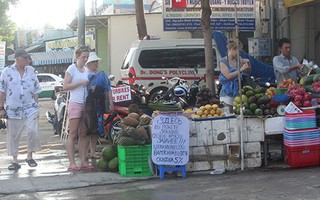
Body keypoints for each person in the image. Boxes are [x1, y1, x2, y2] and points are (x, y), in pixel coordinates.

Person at [0, 49, 42, 170]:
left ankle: (30, 156)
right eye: (26, 58)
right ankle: (14, 160)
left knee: (32, 131)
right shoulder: (7, 72)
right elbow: (2, 91)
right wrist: (1, 108)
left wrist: (37, 105)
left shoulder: (31, 71)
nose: (28, 61)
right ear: (18, 59)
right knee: (13, 135)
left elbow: (35, 89)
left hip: (31, 108)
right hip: (13, 109)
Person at [63, 45, 91, 171]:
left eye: (87, 57)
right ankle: (72, 162)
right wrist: (80, 83)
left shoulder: (86, 71)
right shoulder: (72, 69)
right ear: (78, 56)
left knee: (83, 133)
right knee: (73, 133)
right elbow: (65, 86)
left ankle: (83, 160)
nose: (85, 59)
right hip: (75, 102)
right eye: (83, 57)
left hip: (85, 103)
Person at [86, 52, 114, 159]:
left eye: (96, 62)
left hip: (99, 104)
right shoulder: (85, 75)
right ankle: (87, 151)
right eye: (93, 62)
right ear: (88, 63)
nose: (95, 64)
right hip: (88, 105)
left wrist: (111, 103)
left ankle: (93, 151)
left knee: (96, 128)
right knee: (88, 128)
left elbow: (108, 89)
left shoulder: (102, 75)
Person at [219, 41, 251, 113]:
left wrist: (248, 63)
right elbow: (228, 76)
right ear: (233, 49)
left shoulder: (238, 59)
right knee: (228, 114)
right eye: (238, 51)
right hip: (227, 93)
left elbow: (247, 72)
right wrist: (241, 69)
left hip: (239, 92)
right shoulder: (223, 61)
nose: (239, 53)